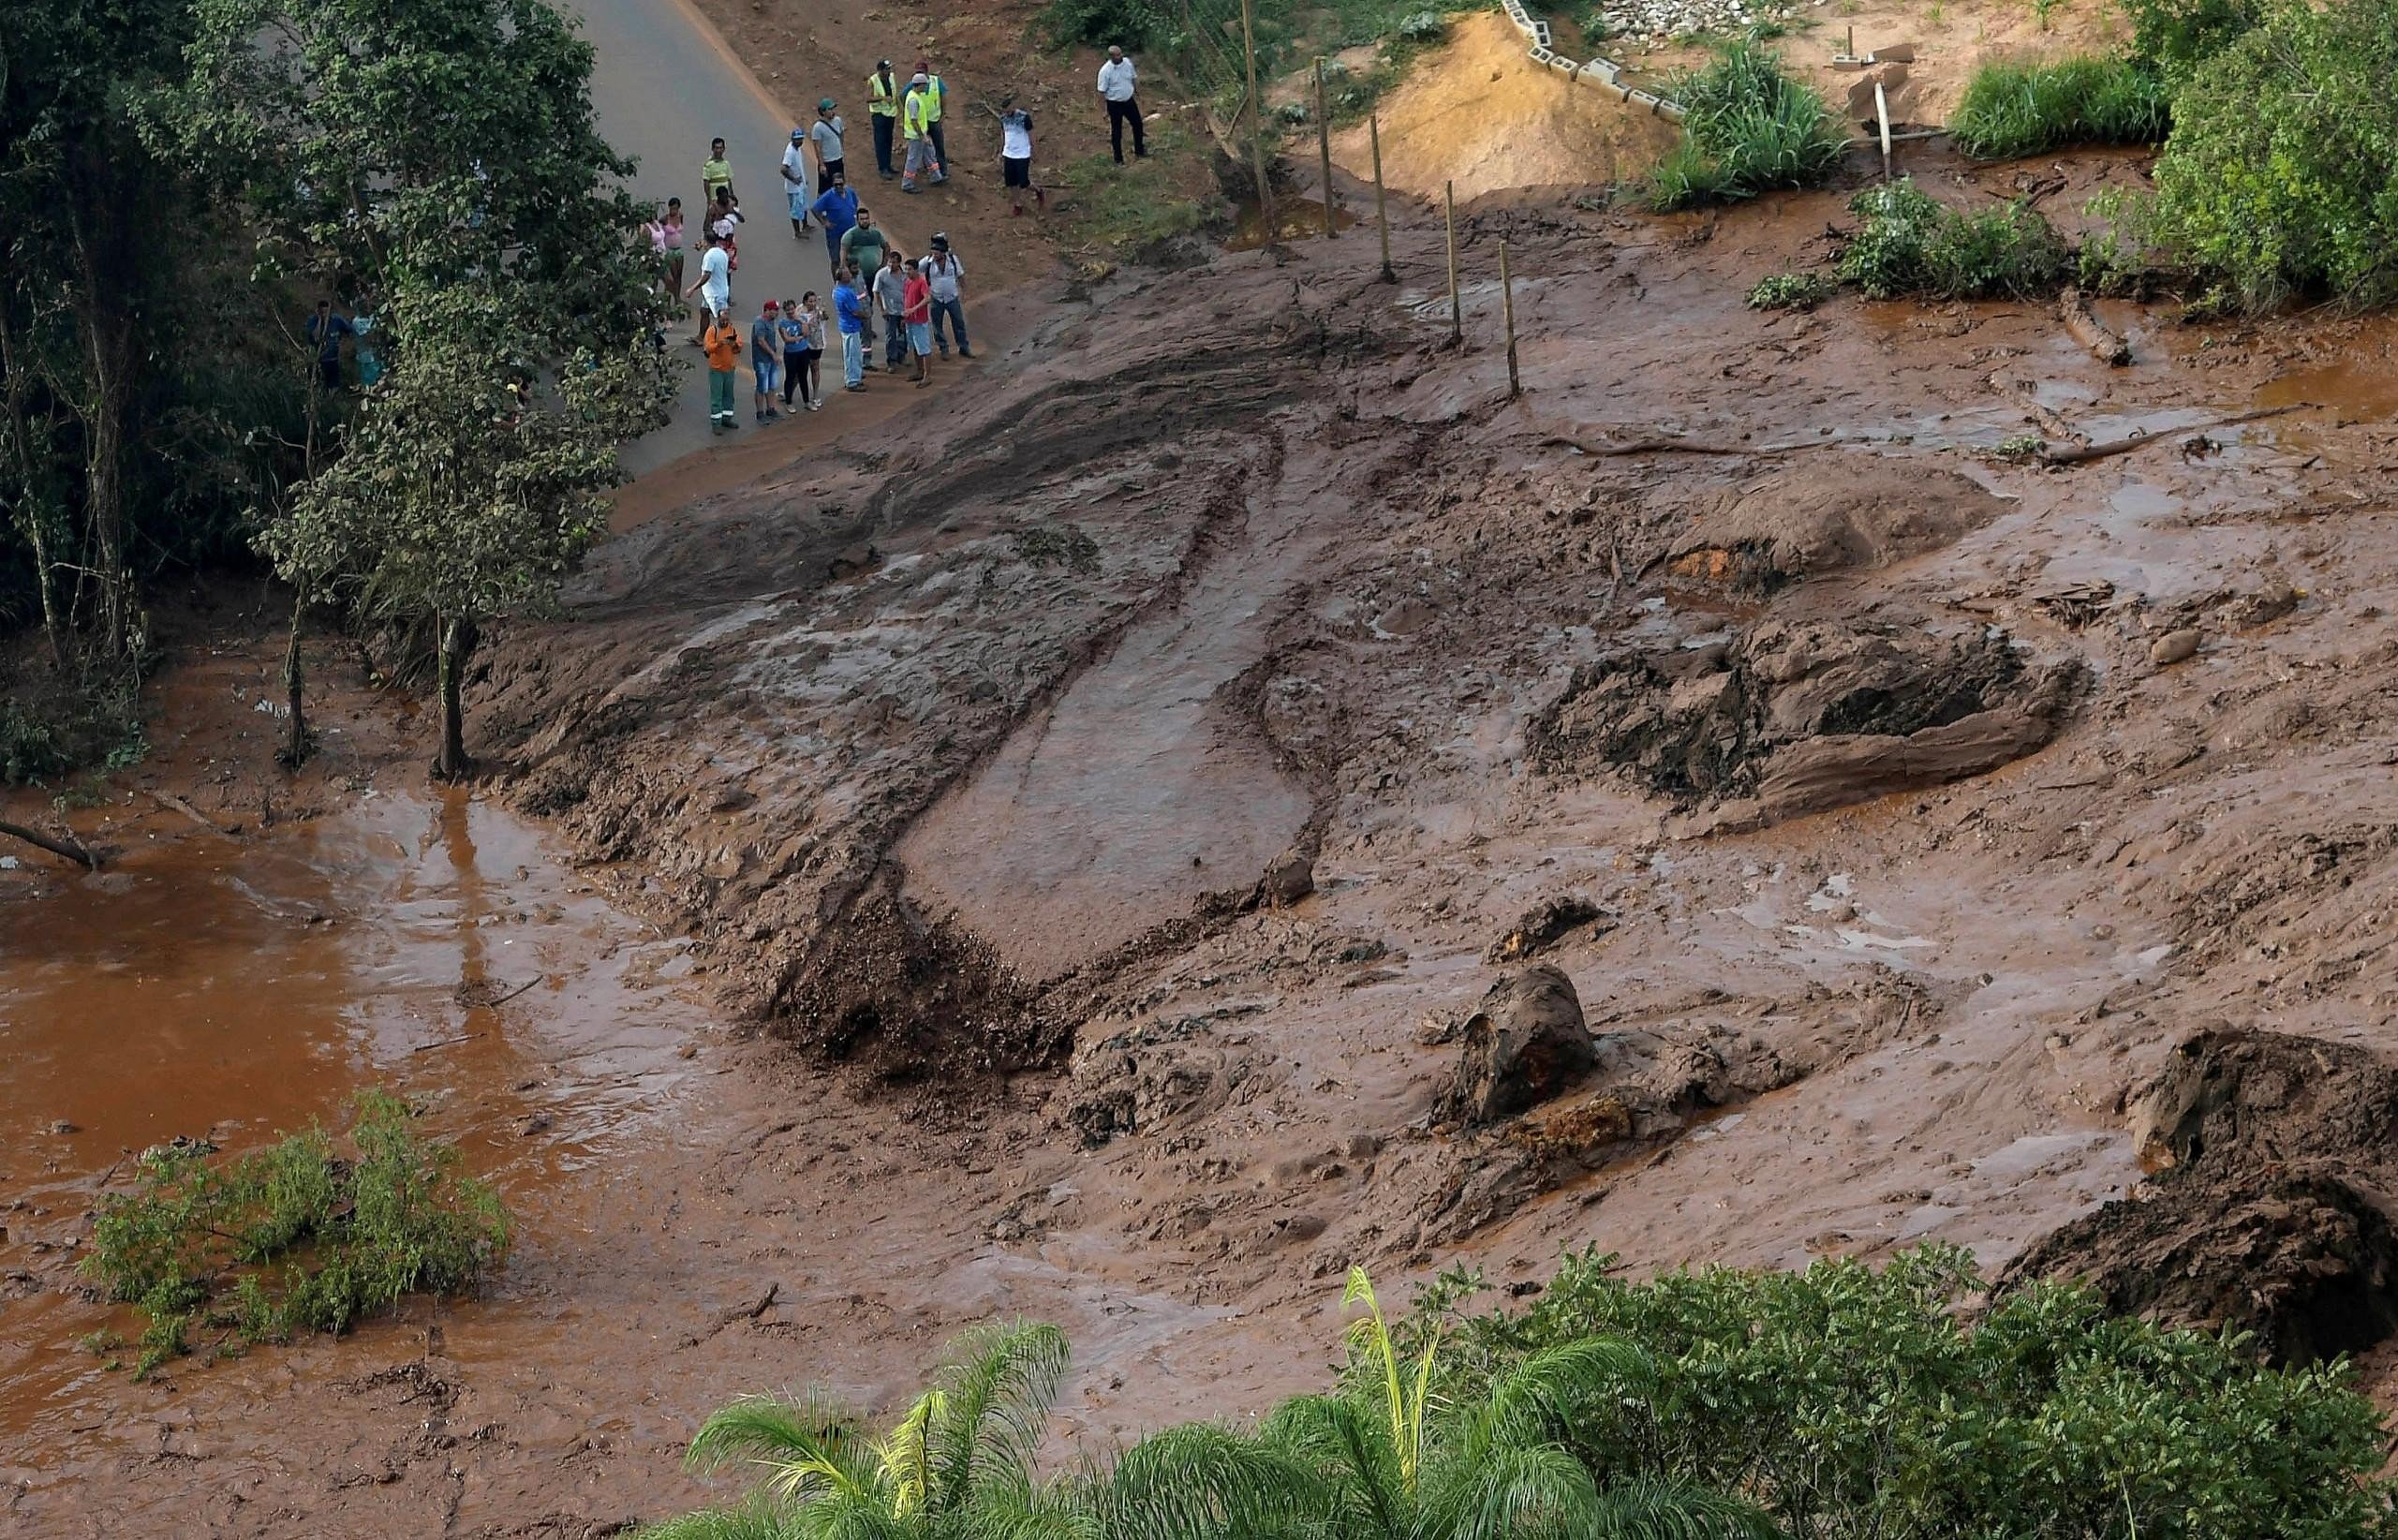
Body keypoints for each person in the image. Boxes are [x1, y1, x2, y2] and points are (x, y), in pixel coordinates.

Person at [838, 210, 888, 362]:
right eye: (862, 219)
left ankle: (867, 326)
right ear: (857, 220)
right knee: (856, 303)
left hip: (873, 274)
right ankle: (861, 327)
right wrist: (844, 268)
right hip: (857, 277)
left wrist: (883, 264)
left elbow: (886, 246)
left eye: (866, 218)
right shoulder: (851, 234)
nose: (865, 221)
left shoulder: (876, 234)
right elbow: (843, 250)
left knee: (869, 300)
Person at [918, 232, 971, 360]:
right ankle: (943, 348)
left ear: (943, 253)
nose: (935, 255)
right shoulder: (927, 262)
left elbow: (961, 275)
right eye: (933, 252)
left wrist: (965, 292)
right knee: (937, 325)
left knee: (958, 323)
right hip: (936, 298)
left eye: (937, 253)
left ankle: (963, 347)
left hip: (952, 297)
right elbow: (916, 270)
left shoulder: (953, 260)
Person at [683, 226, 732, 346]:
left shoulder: (709, 256)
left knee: (721, 316)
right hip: (720, 288)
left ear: (706, 241)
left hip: (714, 291)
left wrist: (692, 288)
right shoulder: (722, 252)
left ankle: (727, 338)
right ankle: (701, 336)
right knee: (704, 311)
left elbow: (706, 275)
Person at [1098, 46, 1145, 163]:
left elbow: (1133, 78)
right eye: (1117, 55)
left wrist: (1137, 93)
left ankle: (1139, 151)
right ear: (1111, 56)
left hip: (1128, 100)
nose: (1120, 57)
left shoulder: (1127, 63)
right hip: (1114, 104)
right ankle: (1118, 159)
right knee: (1117, 131)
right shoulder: (1105, 71)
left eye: (1120, 54)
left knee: (1138, 124)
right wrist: (1104, 110)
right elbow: (1101, 92)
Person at [809, 170, 858, 275]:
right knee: (836, 259)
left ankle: (850, 279)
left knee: (851, 258)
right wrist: (824, 222)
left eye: (841, 184)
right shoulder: (828, 196)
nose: (839, 186)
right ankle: (837, 280)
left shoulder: (850, 192)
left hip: (850, 232)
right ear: (833, 185)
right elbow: (814, 209)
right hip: (834, 234)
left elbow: (855, 204)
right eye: (836, 184)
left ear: (844, 183)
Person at [901, 73, 944, 192]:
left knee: (930, 153)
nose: (926, 87)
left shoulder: (916, 96)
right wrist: (922, 136)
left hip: (921, 134)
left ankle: (936, 176)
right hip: (916, 136)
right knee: (913, 159)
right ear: (919, 85)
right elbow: (914, 120)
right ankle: (907, 184)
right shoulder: (914, 100)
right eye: (925, 85)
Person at [702, 306, 741, 433]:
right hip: (716, 370)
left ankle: (727, 418)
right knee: (717, 397)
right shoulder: (712, 331)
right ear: (718, 318)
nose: (724, 322)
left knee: (729, 396)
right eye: (722, 320)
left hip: (729, 369)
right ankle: (716, 423)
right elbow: (708, 348)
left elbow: (739, 347)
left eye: (726, 320)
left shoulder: (733, 330)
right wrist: (719, 344)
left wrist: (734, 344)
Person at [872, 246, 909, 374]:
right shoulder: (882, 274)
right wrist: (882, 309)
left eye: (894, 262)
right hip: (890, 311)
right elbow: (876, 292)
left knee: (904, 334)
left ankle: (901, 355)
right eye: (889, 262)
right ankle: (892, 361)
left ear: (899, 263)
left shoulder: (906, 273)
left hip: (904, 310)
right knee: (890, 336)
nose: (891, 264)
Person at [999, 100, 1040, 215]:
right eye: (1004, 111)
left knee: (1023, 182)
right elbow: (1003, 133)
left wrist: (1034, 151)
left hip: (1022, 153)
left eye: (1008, 110)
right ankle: (1018, 204)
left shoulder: (1024, 117)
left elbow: (1031, 134)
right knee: (1011, 182)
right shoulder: (1003, 118)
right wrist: (1002, 149)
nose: (1006, 113)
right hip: (1009, 153)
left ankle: (1038, 190)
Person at [834, 267, 868, 392]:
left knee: (849, 354)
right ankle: (853, 381)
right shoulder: (847, 293)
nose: (850, 275)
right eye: (847, 274)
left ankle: (853, 377)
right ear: (842, 277)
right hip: (851, 326)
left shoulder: (837, 290)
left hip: (845, 325)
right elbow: (855, 311)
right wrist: (865, 315)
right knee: (854, 355)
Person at [865, 59, 900, 179]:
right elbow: (868, 98)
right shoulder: (873, 81)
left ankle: (888, 165)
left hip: (890, 113)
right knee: (880, 141)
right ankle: (883, 168)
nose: (889, 71)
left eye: (890, 68)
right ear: (880, 70)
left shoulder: (891, 77)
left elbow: (896, 93)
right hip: (879, 114)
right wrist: (883, 98)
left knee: (889, 139)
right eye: (887, 69)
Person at [749, 299, 784, 423]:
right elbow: (761, 341)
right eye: (774, 310)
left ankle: (771, 409)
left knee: (772, 385)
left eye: (777, 310)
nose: (776, 313)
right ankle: (760, 412)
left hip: (770, 359)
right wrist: (773, 354)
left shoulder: (771, 322)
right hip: (762, 360)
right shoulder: (760, 322)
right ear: (767, 310)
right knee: (761, 387)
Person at [900, 259, 933, 387]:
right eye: (906, 269)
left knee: (924, 349)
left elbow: (928, 298)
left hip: (919, 321)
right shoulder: (908, 282)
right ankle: (920, 371)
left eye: (909, 269)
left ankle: (927, 376)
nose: (907, 272)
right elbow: (907, 299)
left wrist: (913, 309)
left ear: (916, 269)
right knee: (915, 347)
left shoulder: (921, 281)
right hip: (910, 320)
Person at [777, 297, 813, 412]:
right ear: (785, 310)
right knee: (790, 377)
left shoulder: (801, 318)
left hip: (803, 351)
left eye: (792, 309)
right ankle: (789, 402)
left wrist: (801, 321)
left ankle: (807, 401)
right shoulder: (783, 323)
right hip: (791, 354)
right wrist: (799, 337)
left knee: (803, 377)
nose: (791, 312)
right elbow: (787, 339)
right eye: (788, 310)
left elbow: (807, 333)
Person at [914, 57, 949, 172]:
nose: (920, 74)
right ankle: (930, 169)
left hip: (934, 120)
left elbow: (943, 97)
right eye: (918, 72)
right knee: (924, 147)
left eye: (921, 72)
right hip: (922, 122)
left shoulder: (936, 81)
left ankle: (942, 170)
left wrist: (943, 114)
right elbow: (902, 96)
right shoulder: (915, 83)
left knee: (939, 146)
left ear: (926, 71)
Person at [307, 298, 351, 391]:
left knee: (334, 386)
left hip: (333, 359)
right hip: (319, 360)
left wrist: (342, 342)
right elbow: (315, 337)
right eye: (322, 312)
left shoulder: (337, 320)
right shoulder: (313, 321)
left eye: (326, 312)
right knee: (320, 385)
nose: (325, 315)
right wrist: (320, 320)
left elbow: (349, 330)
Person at [795, 290, 828, 407]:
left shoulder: (818, 311)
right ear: (805, 301)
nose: (813, 303)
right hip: (803, 343)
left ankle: (815, 396)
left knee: (815, 368)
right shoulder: (799, 310)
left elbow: (825, 317)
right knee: (800, 370)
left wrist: (823, 312)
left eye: (814, 301)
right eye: (810, 301)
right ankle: (788, 392)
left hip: (816, 344)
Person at [780, 127, 812, 237]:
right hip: (793, 188)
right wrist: (793, 179)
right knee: (795, 210)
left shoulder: (797, 149)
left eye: (801, 139)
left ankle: (805, 225)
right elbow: (783, 169)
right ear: (792, 139)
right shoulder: (790, 152)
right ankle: (797, 232)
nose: (800, 141)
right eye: (797, 139)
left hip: (800, 185)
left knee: (803, 205)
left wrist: (803, 179)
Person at [809, 99, 847, 192]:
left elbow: (841, 134)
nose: (832, 111)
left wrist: (841, 149)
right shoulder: (818, 127)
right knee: (825, 189)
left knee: (839, 185)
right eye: (830, 109)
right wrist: (822, 164)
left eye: (833, 109)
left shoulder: (838, 120)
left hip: (838, 160)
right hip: (827, 162)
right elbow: (817, 147)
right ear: (823, 112)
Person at [352, 298, 383, 388]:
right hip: (366, 355)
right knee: (370, 382)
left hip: (377, 354)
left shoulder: (372, 317)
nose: (365, 308)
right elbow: (368, 335)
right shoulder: (356, 322)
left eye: (366, 305)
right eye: (362, 306)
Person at [661, 197, 688, 299]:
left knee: (679, 276)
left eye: (676, 209)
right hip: (669, 250)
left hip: (679, 250)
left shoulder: (680, 216)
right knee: (673, 275)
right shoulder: (665, 219)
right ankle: (669, 297)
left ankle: (677, 297)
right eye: (672, 209)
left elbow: (680, 229)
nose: (674, 211)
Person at [703, 136, 735, 207]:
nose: (718, 150)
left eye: (720, 148)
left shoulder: (726, 164)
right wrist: (709, 199)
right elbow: (706, 183)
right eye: (716, 148)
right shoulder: (708, 165)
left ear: (724, 149)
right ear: (713, 149)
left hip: (726, 200)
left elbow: (729, 182)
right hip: (714, 200)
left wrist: (731, 196)